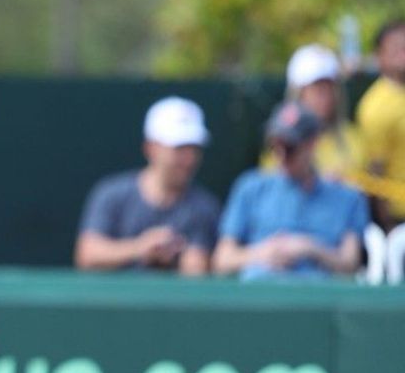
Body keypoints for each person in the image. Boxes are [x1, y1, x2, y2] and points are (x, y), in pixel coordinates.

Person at [213, 101, 368, 281]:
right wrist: (262, 253)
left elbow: (350, 263)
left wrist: (311, 248)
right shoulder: (250, 188)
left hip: (319, 298)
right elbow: (222, 260)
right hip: (260, 294)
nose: (280, 155)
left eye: (289, 148)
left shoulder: (347, 198)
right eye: (273, 145)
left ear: (312, 144)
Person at [75, 97, 220, 275]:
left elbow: (199, 272)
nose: (189, 159)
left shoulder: (205, 208)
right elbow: (87, 255)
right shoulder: (112, 194)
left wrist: (190, 261)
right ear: (151, 148)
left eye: (194, 149)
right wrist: (140, 248)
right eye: (179, 149)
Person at [260, 44, 362, 182]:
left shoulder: (353, 138)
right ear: (299, 94)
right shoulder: (282, 145)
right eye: (318, 90)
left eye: (330, 89)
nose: (327, 97)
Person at [356, 19, 405, 229]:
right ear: (380, 55)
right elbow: (375, 172)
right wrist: (389, 229)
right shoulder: (374, 106)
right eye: (396, 47)